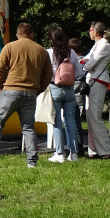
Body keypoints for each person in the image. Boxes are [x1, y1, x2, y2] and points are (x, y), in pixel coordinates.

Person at [0, 22, 53, 167]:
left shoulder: (10, 47)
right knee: (28, 127)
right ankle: (32, 161)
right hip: (31, 93)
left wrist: (0, 87)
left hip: (10, 90)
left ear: (17, 34)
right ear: (32, 34)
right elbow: (48, 75)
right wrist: (38, 90)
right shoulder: (41, 50)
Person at [46, 27, 84, 163]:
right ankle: (73, 153)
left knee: (56, 122)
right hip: (69, 90)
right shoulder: (71, 52)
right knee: (70, 121)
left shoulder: (49, 53)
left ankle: (59, 152)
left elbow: (46, 73)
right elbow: (80, 73)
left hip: (54, 88)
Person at [80, 22, 110, 159]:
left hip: (98, 82)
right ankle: (93, 150)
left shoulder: (104, 45)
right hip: (92, 81)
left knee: (95, 117)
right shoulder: (97, 45)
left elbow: (89, 64)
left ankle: (106, 150)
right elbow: (86, 59)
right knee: (90, 117)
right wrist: (83, 62)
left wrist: (82, 64)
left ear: (96, 31)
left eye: (90, 30)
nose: (89, 32)